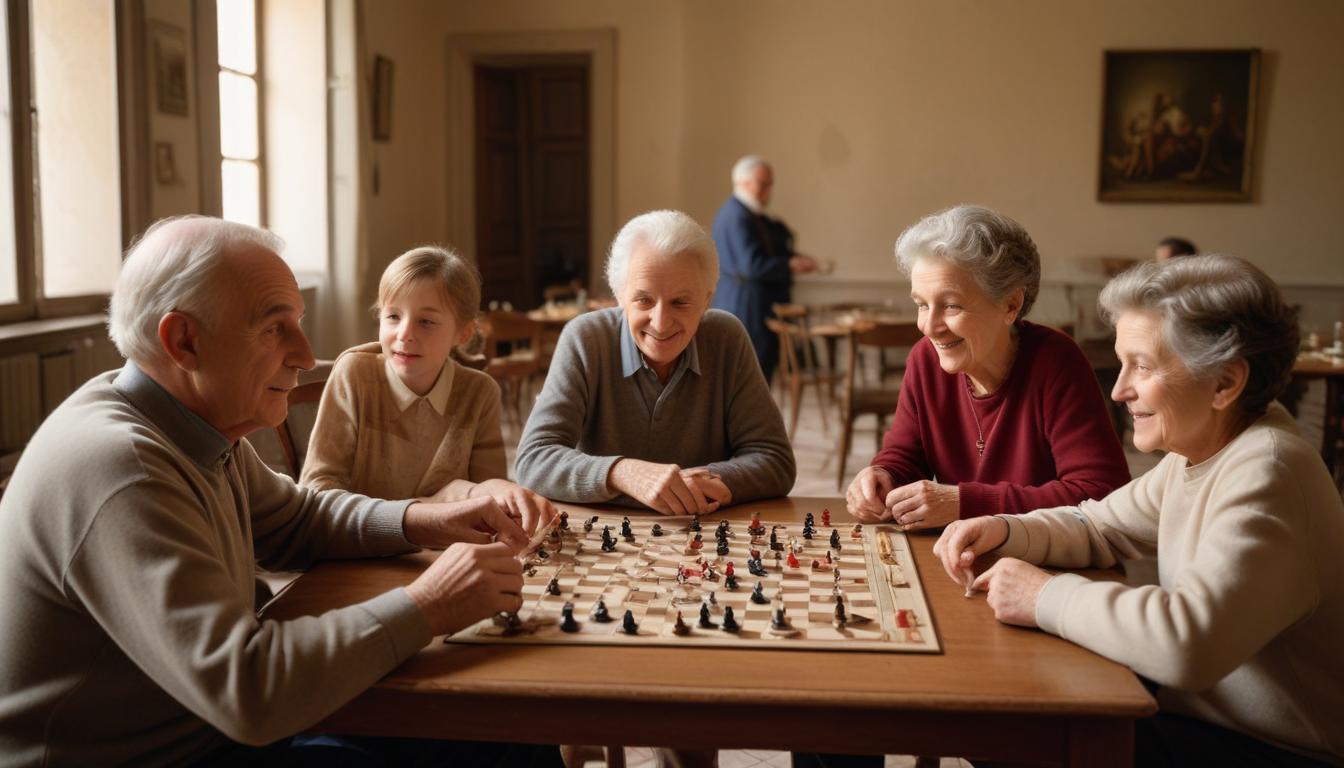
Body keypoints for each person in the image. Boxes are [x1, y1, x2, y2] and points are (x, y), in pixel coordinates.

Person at [0, 216, 557, 766]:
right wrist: (431, 603)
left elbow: (296, 520)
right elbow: (250, 691)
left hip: (213, 731)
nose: (304, 352)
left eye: (297, 322)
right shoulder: (124, 466)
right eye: (275, 327)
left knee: (502, 729)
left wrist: (425, 520)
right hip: (183, 751)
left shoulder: (185, 425)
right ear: (183, 341)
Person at [936, 255, 1344, 766]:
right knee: (1005, 709)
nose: (1118, 389)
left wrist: (1043, 594)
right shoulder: (1207, 446)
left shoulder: (1269, 470)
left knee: (1010, 727)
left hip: (1274, 748)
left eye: (1143, 366)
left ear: (1225, 383)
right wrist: (1003, 528)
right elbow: (1098, 526)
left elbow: (1185, 643)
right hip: (1200, 714)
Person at [846, 205, 1130, 530]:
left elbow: (1101, 493)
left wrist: (964, 503)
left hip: (1048, 564)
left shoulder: (1056, 361)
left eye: (951, 305)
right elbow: (906, 455)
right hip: (966, 555)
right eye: (922, 305)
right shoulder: (925, 360)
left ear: (1010, 305)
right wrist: (883, 476)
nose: (928, 326)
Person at [516, 209, 796, 515]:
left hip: (703, 541)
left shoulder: (726, 337)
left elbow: (775, 460)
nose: (661, 323)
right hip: (604, 543)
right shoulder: (586, 338)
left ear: (707, 300)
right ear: (619, 296)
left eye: (681, 302)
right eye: (644, 300)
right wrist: (625, 474)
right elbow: (534, 460)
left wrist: (699, 482)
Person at [300, 245, 554, 531]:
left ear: (463, 333)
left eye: (426, 322)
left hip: (441, 552)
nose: (404, 334)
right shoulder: (354, 376)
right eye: (393, 316)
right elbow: (317, 494)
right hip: (359, 552)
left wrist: (497, 489)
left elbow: (484, 498)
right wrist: (434, 505)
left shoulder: (479, 393)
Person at [710, 155, 818, 382]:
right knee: (750, 377)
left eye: (770, 184)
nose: (768, 190)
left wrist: (792, 258)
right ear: (743, 183)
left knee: (760, 374)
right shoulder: (736, 216)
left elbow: (769, 251)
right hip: (745, 307)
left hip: (755, 306)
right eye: (763, 184)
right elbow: (751, 265)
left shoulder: (750, 215)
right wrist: (790, 264)